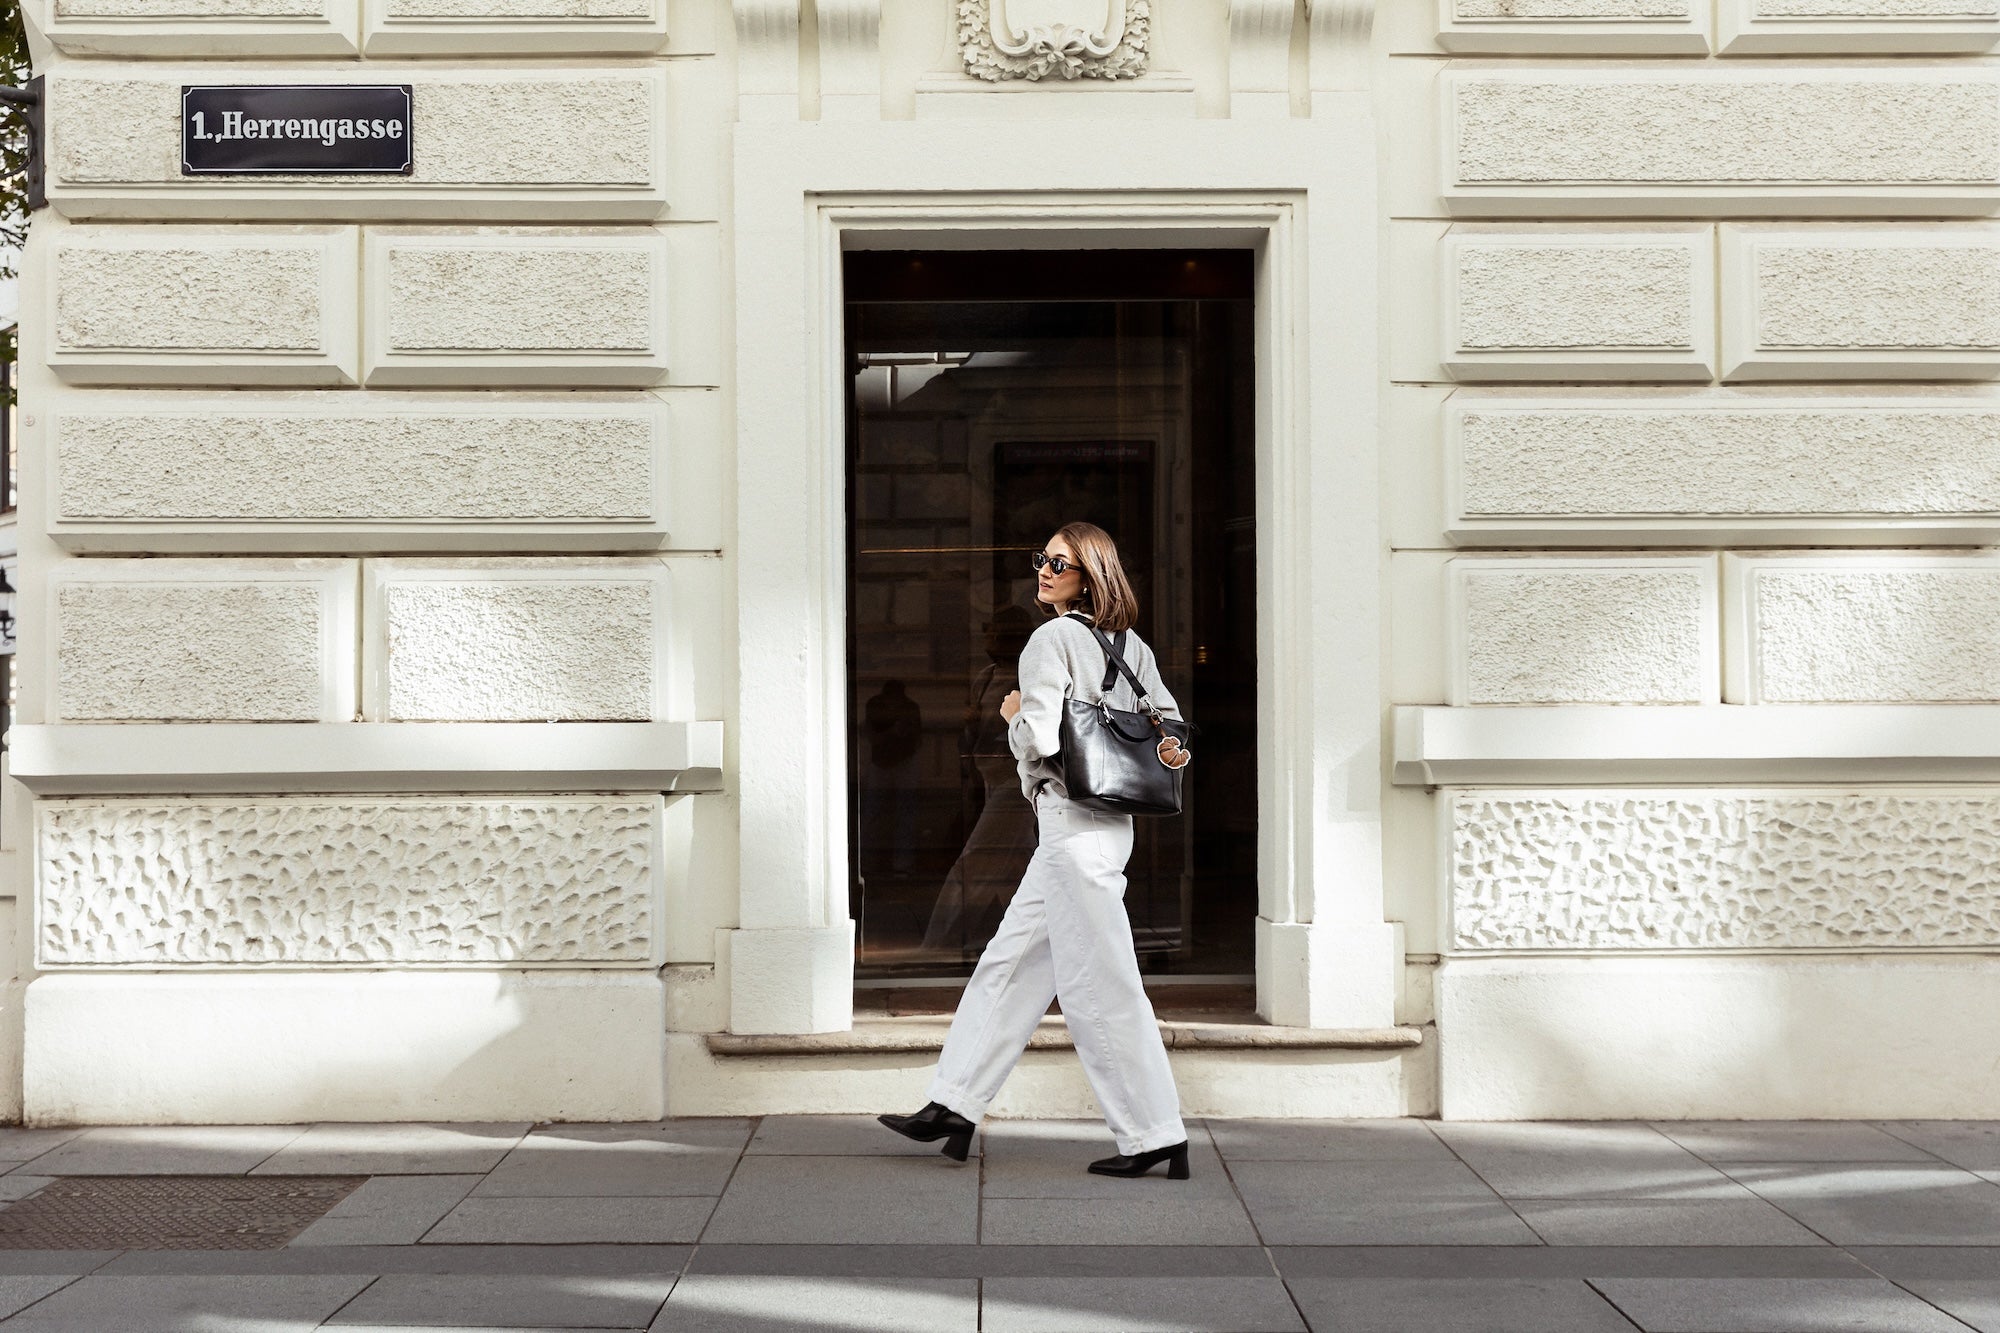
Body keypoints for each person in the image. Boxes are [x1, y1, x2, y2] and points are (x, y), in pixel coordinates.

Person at [878, 522, 1191, 1179]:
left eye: (1060, 563)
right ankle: (954, 1104)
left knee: (1098, 985)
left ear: (1090, 576)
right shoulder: (1129, 646)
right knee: (1009, 963)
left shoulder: (1048, 639)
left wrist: (1013, 714)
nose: (1043, 572)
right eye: (1041, 560)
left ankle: (1153, 1131)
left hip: (1070, 828)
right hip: (1109, 828)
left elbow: (1040, 738)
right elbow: (1174, 729)